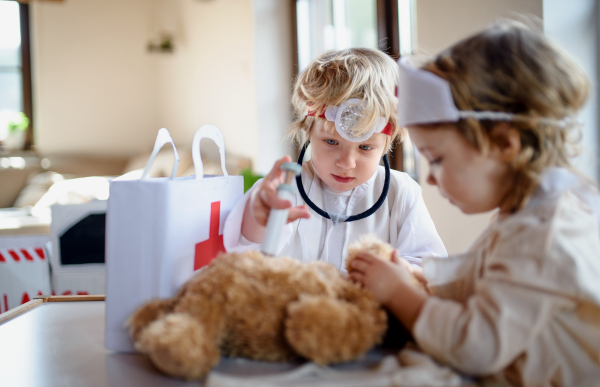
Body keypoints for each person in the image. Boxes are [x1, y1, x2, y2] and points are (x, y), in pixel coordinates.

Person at [349, 20, 600, 386]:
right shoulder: (529, 210)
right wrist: (418, 278)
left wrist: (399, 293)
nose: (430, 178)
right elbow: (487, 280)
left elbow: (474, 346)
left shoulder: (546, 234)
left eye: (436, 159)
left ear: (504, 145)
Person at [223, 48, 446, 271]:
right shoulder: (283, 189)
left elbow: (429, 267)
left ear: (387, 143)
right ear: (309, 129)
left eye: (365, 147)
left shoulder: (402, 193)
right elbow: (247, 252)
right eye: (331, 142)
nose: (347, 163)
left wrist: (395, 273)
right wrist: (257, 218)